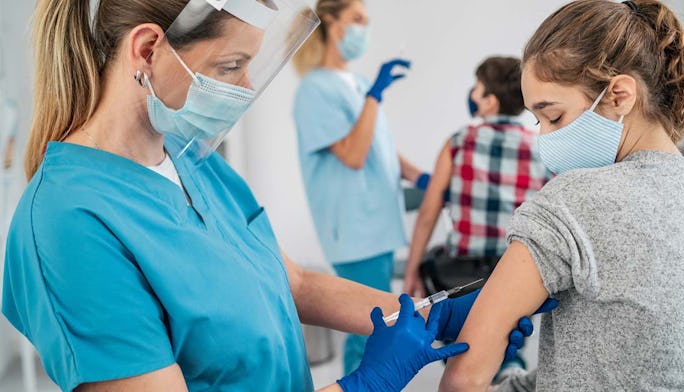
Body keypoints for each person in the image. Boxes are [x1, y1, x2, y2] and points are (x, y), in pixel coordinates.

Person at [0, 1, 541, 391]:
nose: (242, 89)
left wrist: (429, 315)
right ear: (146, 49)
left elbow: (294, 283)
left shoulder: (193, 162)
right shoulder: (70, 223)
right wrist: (365, 384)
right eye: (230, 67)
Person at [438, 0, 684, 391]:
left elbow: (464, 379)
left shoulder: (571, 200)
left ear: (619, 95)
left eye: (553, 116)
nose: (545, 137)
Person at [292, 0, 429, 375]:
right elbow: (353, 154)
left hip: (377, 225)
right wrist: (375, 95)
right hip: (353, 228)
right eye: (356, 20)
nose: (363, 29)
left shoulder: (355, 83)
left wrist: (420, 177)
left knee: (375, 321)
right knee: (369, 325)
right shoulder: (315, 90)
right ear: (331, 25)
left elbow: (378, 146)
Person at [403, 56, 549, 299]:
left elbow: (428, 213)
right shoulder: (540, 147)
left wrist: (410, 274)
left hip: (463, 272)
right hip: (515, 269)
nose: (472, 94)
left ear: (490, 102)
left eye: (477, 88)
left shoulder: (459, 142)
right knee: (509, 331)